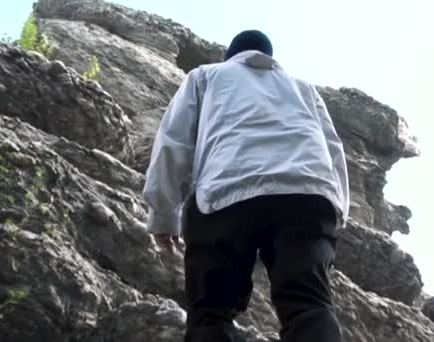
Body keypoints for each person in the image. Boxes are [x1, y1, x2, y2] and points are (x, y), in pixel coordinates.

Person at [143, 29, 350, 342]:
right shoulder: (304, 89)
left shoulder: (207, 76)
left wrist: (164, 213)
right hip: (307, 196)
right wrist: (337, 213)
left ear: (231, 56)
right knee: (310, 305)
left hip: (226, 191)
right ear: (269, 56)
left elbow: (173, 140)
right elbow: (333, 151)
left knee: (211, 311)